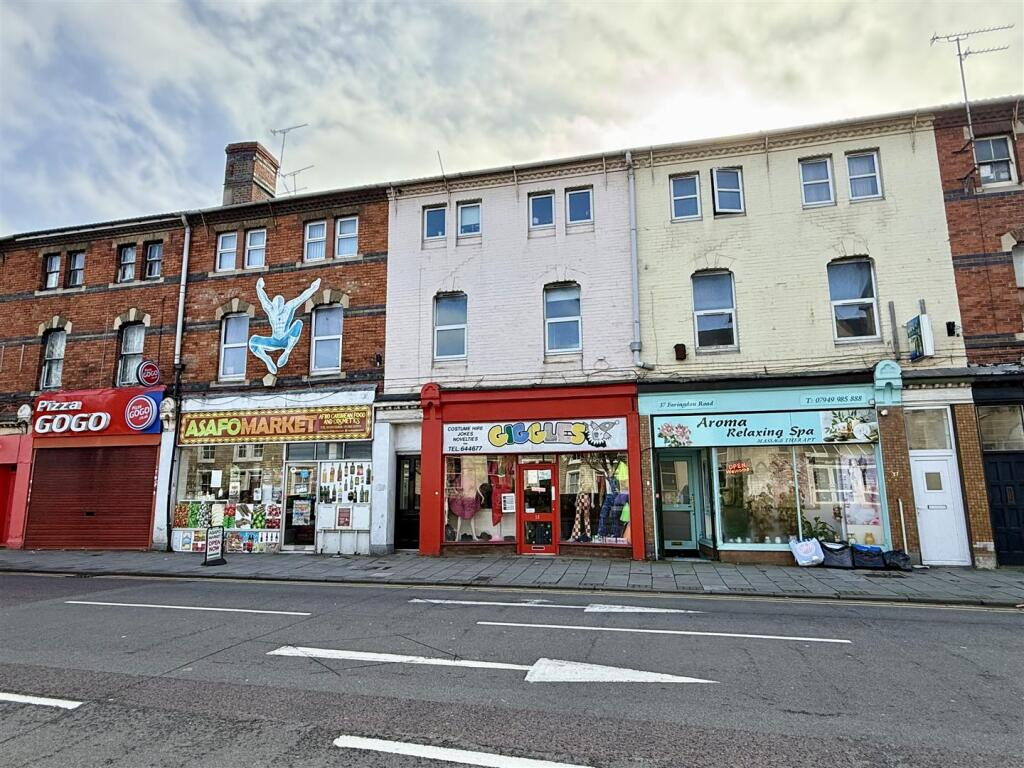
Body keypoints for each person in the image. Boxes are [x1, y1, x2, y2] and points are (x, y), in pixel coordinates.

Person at [249, 277, 322, 374]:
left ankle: (286, 352)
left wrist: (313, 288)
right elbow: (263, 299)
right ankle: (267, 359)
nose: (279, 307)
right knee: (253, 341)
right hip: (274, 341)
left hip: (286, 339)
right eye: (277, 305)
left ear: (283, 304)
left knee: (298, 323)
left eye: (280, 305)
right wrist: (259, 287)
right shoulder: (271, 310)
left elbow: (301, 298)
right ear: (273, 304)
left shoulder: (288, 307)